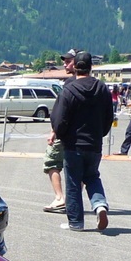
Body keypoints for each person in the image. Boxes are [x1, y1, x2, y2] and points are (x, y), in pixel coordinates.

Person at [50, 51, 114, 233]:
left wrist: (61, 135)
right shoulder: (102, 88)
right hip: (94, 143)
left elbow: (59, 119)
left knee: (72, 182)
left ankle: (76, 222)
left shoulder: (69, 90)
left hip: (73, 144)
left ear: (75, 67)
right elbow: (109, 116)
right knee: (92, 176)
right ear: (91, 67)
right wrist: (101, 133)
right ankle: (100, 205)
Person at [42, 48, 77, 213]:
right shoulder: (92, 83)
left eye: (69, 61)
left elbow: (60, 112)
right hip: (83, 135)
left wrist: (53, 131)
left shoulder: (70, 84)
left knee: (52, 162)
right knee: (81, 168)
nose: (65, 63)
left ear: (78, 62)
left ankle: (60, 198)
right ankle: (72, 199)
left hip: (64, 132)